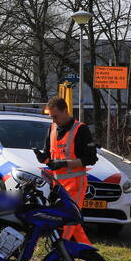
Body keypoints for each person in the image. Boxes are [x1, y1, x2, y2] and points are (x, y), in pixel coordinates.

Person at [40, 96, 97, 244]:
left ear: (65, 111)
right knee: (73, 224)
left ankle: (60, 253)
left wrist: (64, 164)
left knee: (68, 222)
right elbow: (49, 158)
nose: (54, 120)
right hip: (58, 186)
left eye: (56, 116)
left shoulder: (81, 129)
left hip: (75, 184)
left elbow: (91, 159)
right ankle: (88, 256)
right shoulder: (52, 129)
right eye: (51, 117)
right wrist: (44, 159)